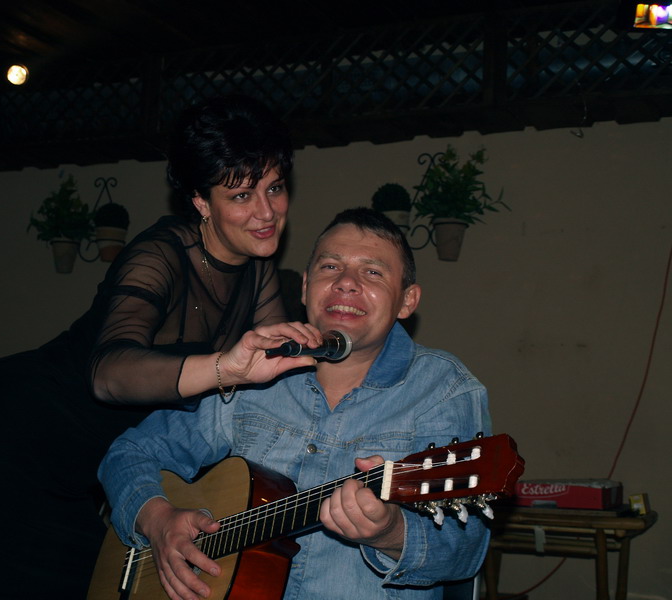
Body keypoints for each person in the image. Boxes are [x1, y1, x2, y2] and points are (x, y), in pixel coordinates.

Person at [0, 95, 322, 599]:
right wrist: (226, 367)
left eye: (275, 188)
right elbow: (108, 374)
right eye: (241, 195)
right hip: (4, 437)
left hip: (80, 472)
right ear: (201, 201)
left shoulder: (257, 267)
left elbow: (274, 386)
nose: (266, 212)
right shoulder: (160, 255)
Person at [99, 207, 493, 600]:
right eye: (330, 267)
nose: (346, 283)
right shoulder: (256, 369)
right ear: (305, 287)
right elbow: (130, 453)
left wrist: (390, 531)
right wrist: (157, 519)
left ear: (407, 300)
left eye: (372, 272)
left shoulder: (443, 390)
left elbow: (465, 550)